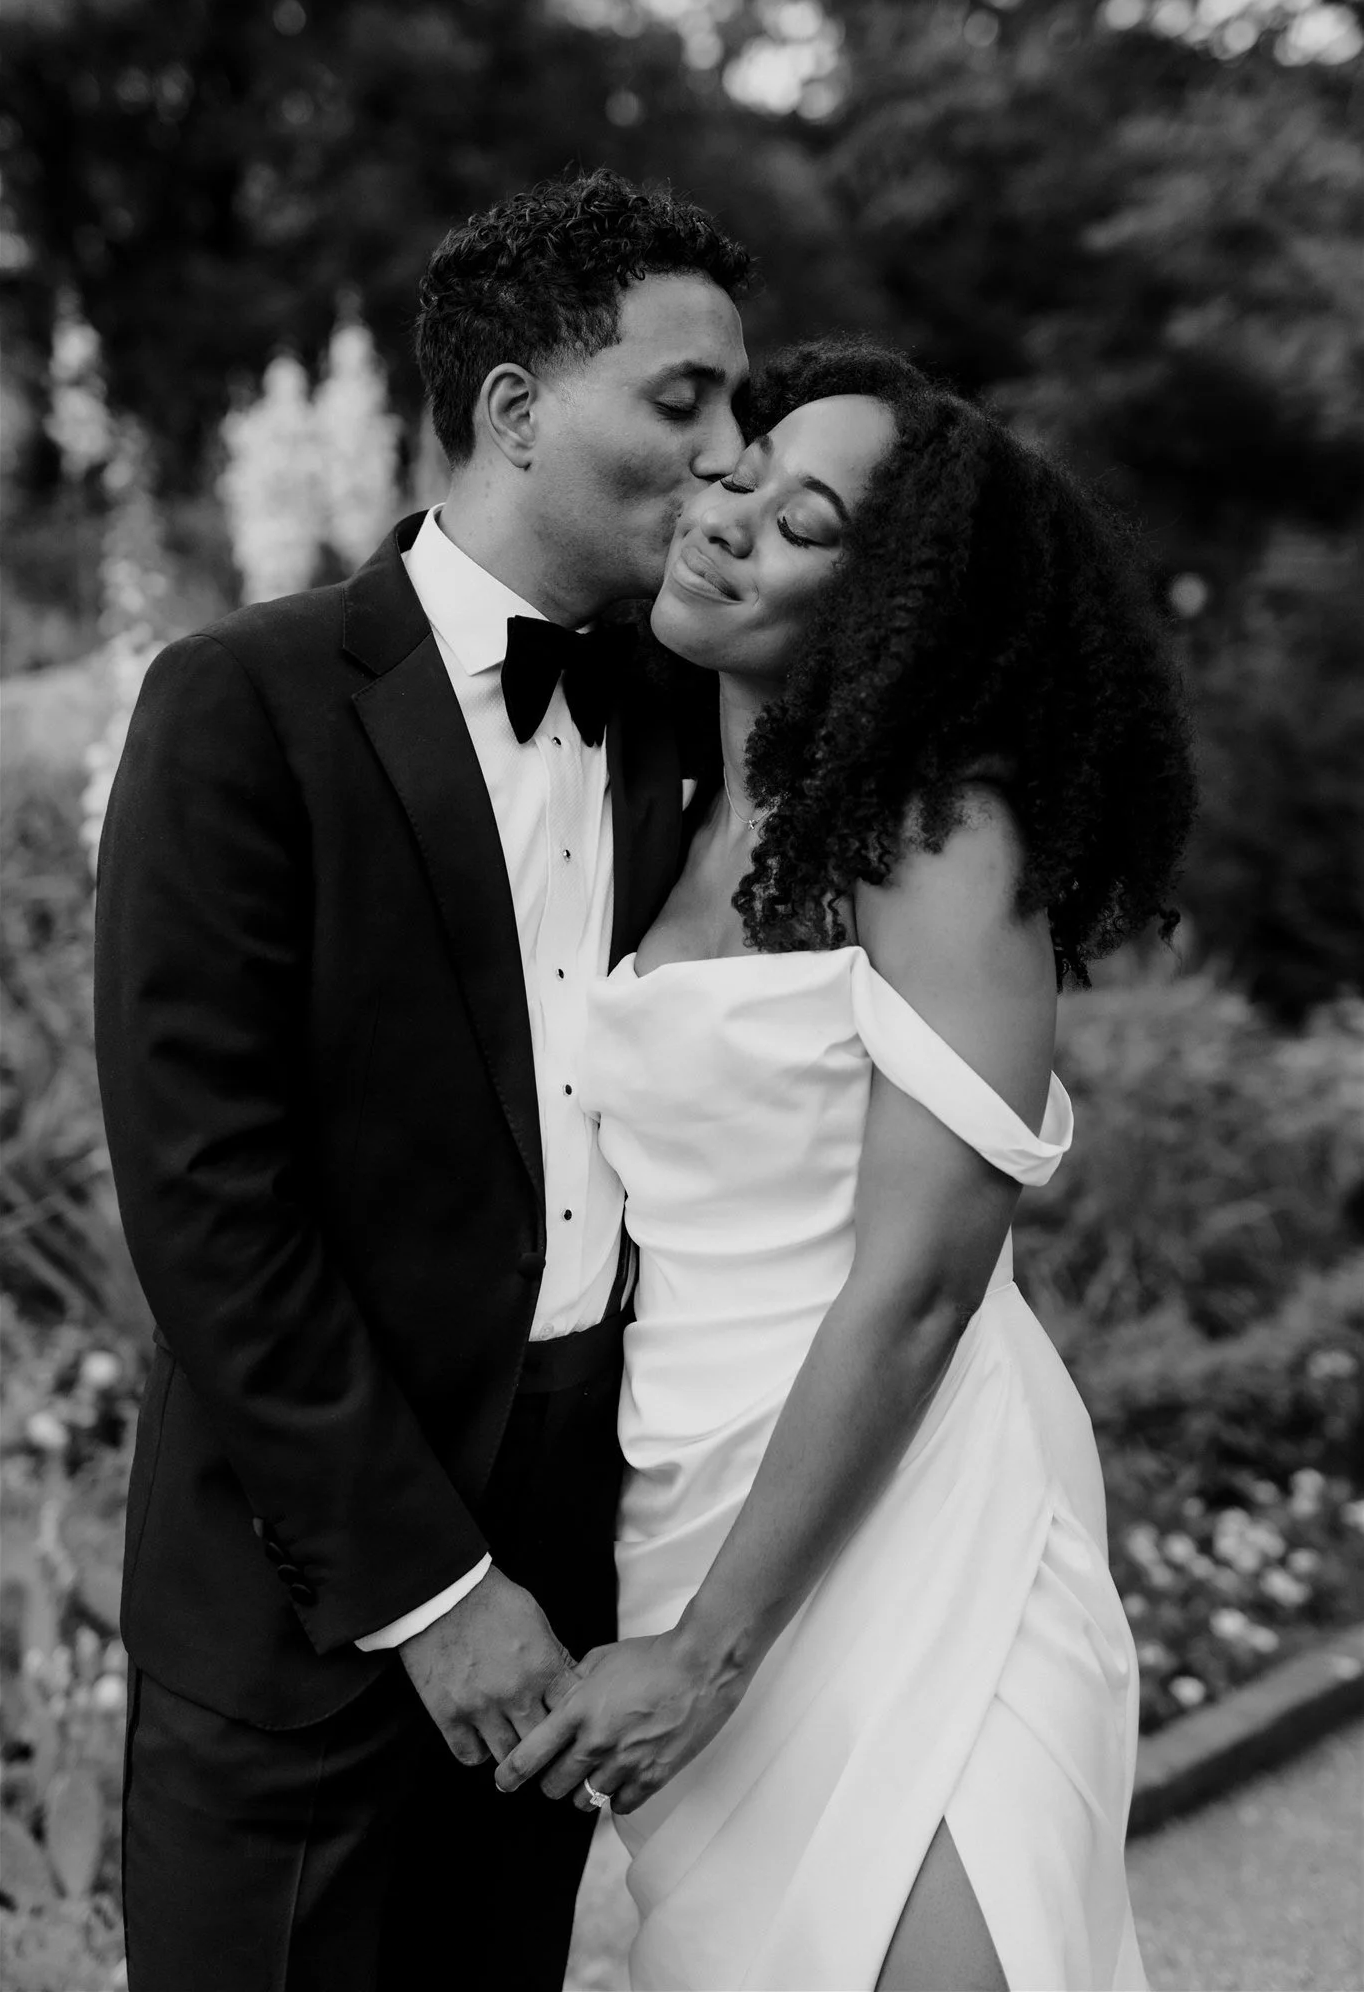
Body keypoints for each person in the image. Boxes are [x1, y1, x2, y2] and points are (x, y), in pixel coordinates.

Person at [94, 168, 749, 1992]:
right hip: (308, 1596)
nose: (727, 455)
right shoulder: (242, 703)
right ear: (516, 409)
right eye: (683, 399)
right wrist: (434, 1594)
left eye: (741, 408)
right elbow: (208, 1201)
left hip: (578, 1572)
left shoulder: (696, 713)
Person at [496, 339, 1197, 1990]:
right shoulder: (656, 810)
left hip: (919, 1517)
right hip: (688, 1498)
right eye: (740, 475)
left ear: (898, 608)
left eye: (804, 522)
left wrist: (708, 1653)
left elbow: (922, 1285)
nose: (727, 519)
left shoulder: (938, 836)